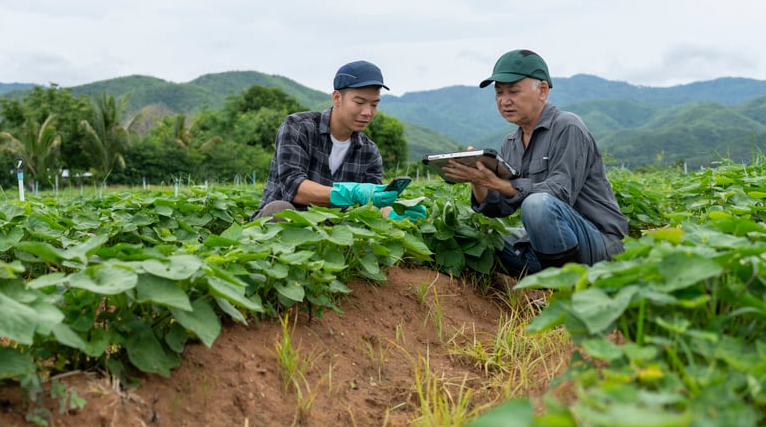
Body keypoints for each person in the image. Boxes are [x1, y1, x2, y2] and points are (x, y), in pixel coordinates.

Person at [441, 49, 627, 275]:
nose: (504, 101)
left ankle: (565, 287)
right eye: (499, 93)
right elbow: (500, 207)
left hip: (600, 244)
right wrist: (478, 180)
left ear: (542, 91)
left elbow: (560, 192)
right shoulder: (511, 142)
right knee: (483, 238)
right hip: (551, 245)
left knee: (537, 205)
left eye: (513, 91)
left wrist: (499, 184)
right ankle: (540, 277)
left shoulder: (568, 127)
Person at [253, 60, 423, 220]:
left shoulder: (369, 152)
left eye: (374, 104)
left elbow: (369, 205)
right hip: (283, 223)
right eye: (359, 102)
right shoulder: (298, 127)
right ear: (337, 98)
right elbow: (294, 188)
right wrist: (350, 192)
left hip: (331, 227)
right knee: (280, 209)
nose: (367, 112)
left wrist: (394, 213)